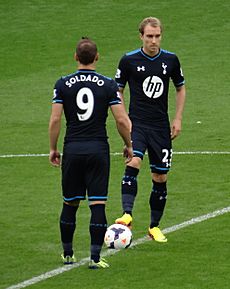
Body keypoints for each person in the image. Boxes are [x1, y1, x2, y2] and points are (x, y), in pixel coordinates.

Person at [49, 37, 133, 269]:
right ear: (97, 57)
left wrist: (53, 148)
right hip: (98, 149)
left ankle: (67, 254)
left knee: (70, 203)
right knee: (98, 204)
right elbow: (121, 120)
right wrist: (128, 144)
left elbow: (55, 119)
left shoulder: (62, 84)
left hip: (73, 148)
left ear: (75, 57)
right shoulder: (108, 85)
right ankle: (95, 258)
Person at [115, 17, 186, 242]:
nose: (153, 41)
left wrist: (177, 118)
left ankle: (154, 226)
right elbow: (118, 90)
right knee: (134, 161)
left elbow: (180, 88)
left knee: (160, 176)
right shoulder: (128, 61)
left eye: (157, 36)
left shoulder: (171, 60)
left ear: (160, 36)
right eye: (149, 36)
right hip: (137, 124)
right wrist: (124, 118)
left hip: (160, 127)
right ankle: (127, 214)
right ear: (141, 36)